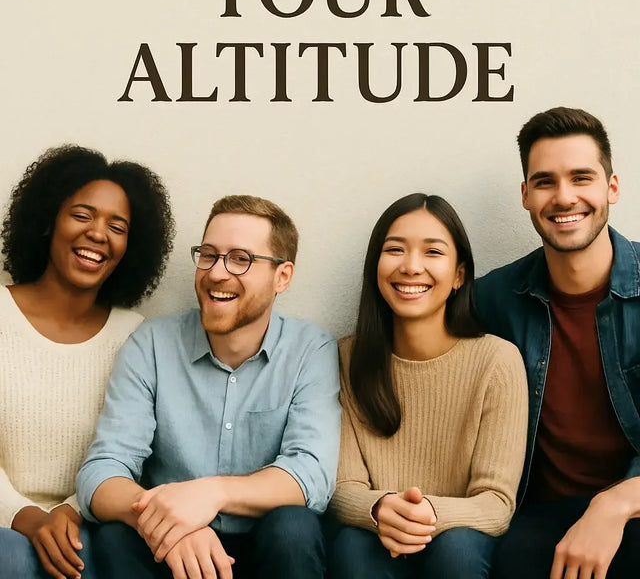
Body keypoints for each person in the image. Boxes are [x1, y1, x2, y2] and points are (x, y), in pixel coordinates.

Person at [77, 194, 340, 579]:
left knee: (293, 527)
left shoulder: (309, 350)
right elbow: (101, 471)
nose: (217, 273)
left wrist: (211, 494)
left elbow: (311, 473)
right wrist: (169, 522)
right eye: (209, 254)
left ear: (282, 276)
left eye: (240, 259)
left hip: (264, 547)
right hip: (170, 555)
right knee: (116, 535)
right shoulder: (151, 344)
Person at [475, 107, 640, 579]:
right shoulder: (493, 299)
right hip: (539, 518)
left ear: (612, 187)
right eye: (545, 181)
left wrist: (615, 503)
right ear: (525, 195)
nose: (564, 197)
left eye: (581, 178)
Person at [327, 193, 528, 579]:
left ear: (458, 276)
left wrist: (430, 513)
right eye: (395, 250)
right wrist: (381, 508)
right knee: (352, 547)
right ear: (375, 268)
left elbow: (496, 501)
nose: (411, 267)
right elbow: (343, 486)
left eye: (433, 252)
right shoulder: (345, 358)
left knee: (457, 551)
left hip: (460, 539)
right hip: (376, 533)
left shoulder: (497, 361)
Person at [0, 144, 175, 579]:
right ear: (47, 222)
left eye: (118, 226)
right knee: (14, 557)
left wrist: (69, 513)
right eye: (81, 215)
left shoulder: (137, 336)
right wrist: (30, 518)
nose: (99, 234)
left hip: (90, 524)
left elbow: (135, 456)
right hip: (5, 526)